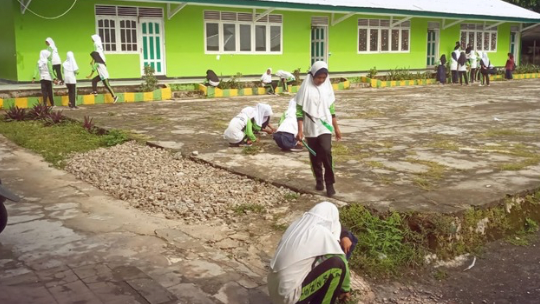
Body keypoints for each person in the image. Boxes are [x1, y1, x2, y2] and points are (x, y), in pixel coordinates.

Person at [267, 202, 355, 304]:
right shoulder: (321, 233)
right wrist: (345, 289)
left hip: (275, 290)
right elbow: (341, 260)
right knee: (337, 266)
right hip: (289, 297)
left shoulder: (297, 225)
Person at [296, 61, 342, 197]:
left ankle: (329, 183)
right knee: (315, 154)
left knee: (326, 151)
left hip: (325, 124)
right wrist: (300, 130)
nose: (321, 80)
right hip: (310, 125)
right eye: (318, 77)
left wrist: (336, 128)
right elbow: (299, 112)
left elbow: (332, 110)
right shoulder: (304, 89)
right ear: (312, 75)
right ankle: (319, 179)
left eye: (323, 78)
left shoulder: (327, 89)